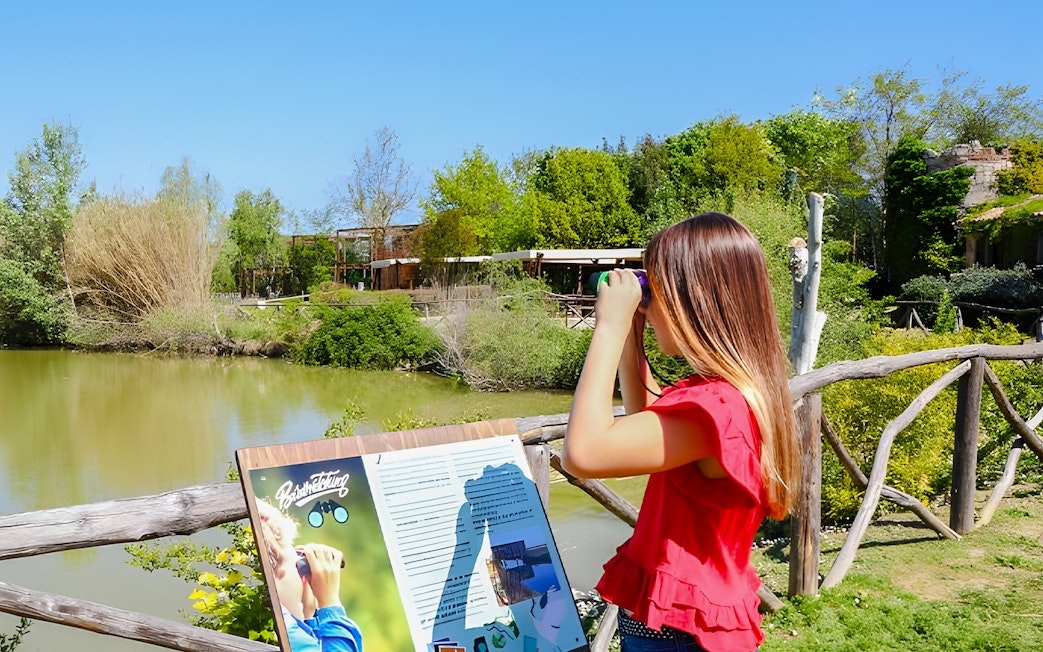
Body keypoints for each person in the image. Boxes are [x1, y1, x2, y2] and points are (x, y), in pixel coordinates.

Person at [561, 212, 800, 652]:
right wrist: (632, 335)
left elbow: (584, 453)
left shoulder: (716, 407)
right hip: (690, 628)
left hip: (677, 637)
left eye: (656, 290)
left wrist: (609, 327)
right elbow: (645, 416)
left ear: (696, 300)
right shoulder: (732, 394)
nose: (648, 306)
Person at [254, 497, 364, 652]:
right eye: (297, 563)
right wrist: (330, 604)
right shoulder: (288, 632)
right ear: (279, 573)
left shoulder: (270, 625)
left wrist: (309, 618)